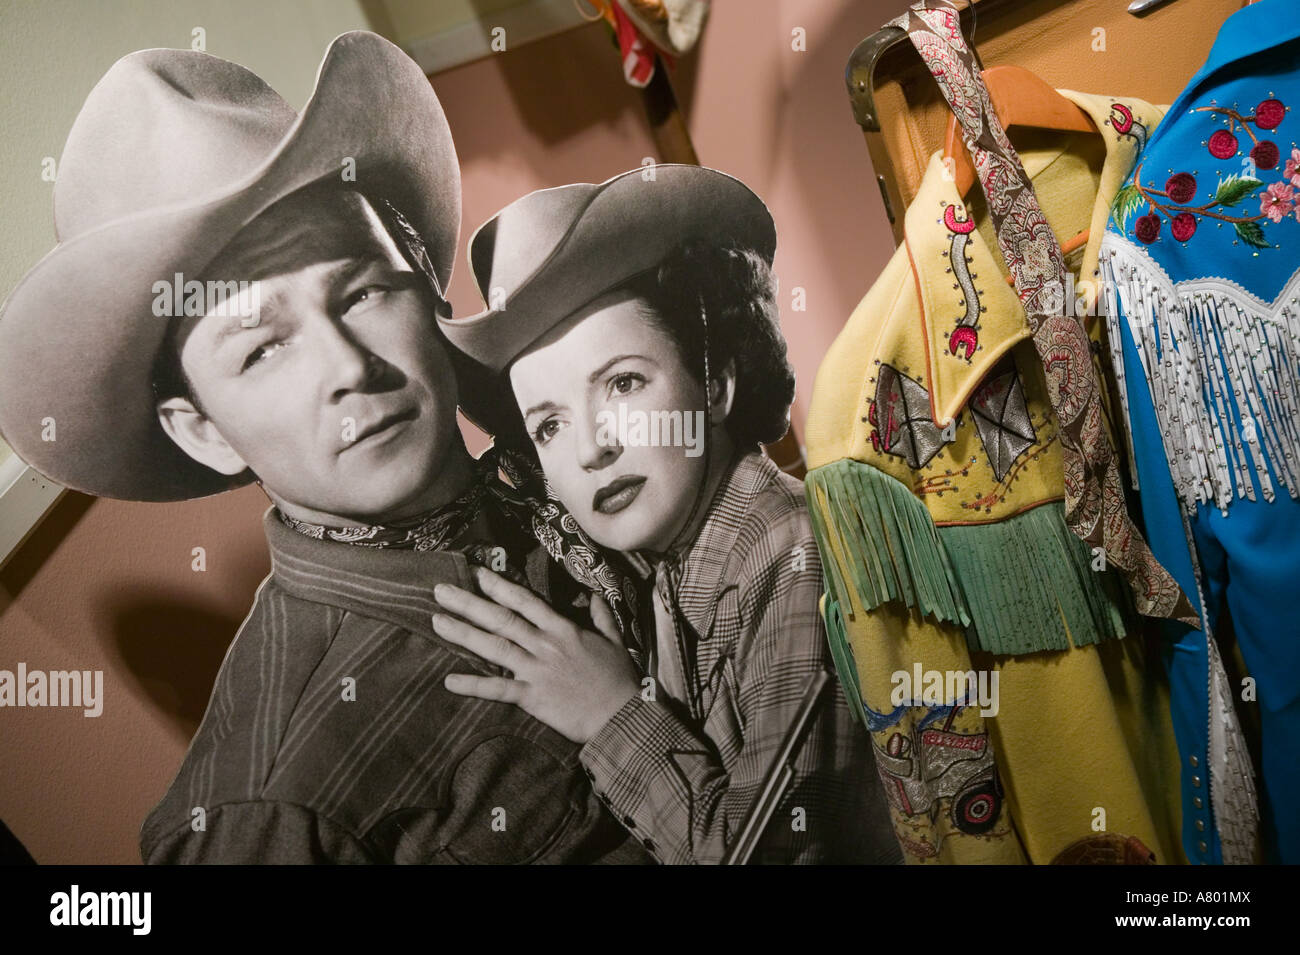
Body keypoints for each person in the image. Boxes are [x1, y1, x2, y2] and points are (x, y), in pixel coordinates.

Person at [0, 33, 648, 865]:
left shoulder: (579, 457)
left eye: (365, 290)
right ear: (202, 428)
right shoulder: (269, 809)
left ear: (424, 278)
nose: (350, 367)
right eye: (262, 348)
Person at [433, 165, 901, 864]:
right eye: (549, 425)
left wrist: (609, 712)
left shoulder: (789, 549)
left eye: (622, 382)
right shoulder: (657, 568)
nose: (592, 447)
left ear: (713, 381)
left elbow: (767, 855)